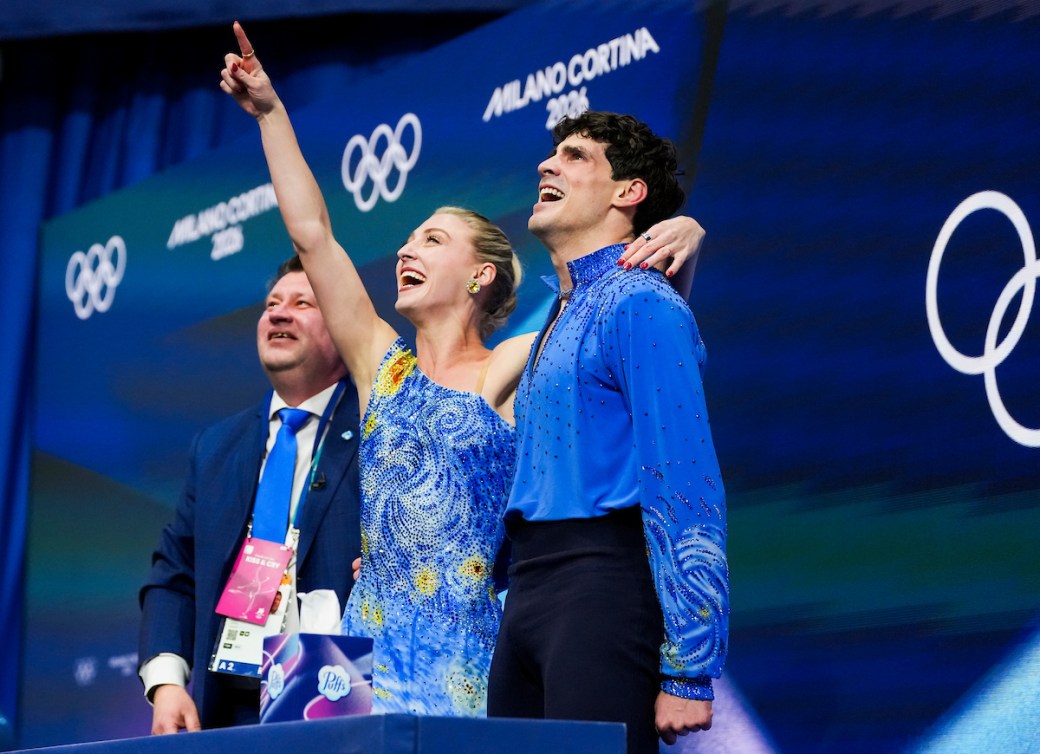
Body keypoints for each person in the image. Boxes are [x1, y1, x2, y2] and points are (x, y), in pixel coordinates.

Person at [219, 23, 705, 718]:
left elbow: (612, 351)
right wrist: (270, 113)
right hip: (361, 661)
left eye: (433, 239)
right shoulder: (380, 370)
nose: (407, 250)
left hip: (470, 663)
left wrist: (686, 235)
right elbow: (313, 234)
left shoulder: (516, 362)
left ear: (481, 274)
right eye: (409, 238)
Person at [485, 112, 729, 754]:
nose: (546, 165)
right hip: (529, 593)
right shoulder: (563, 312)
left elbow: (686, 481)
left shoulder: (641, 302)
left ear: (629, 192)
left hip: (603, 588)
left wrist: (691, 665)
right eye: (550, 155)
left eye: (574, 156)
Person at [138, 257, 362, 732]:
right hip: (228, 712)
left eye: (304, 303)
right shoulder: (218, 446)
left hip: (339, 704)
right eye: (272, 304)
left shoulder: (380, 429)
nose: (279, 314)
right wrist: (167, 684)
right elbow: (174, 575)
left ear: (345, 324)